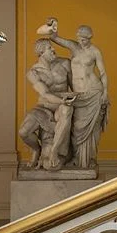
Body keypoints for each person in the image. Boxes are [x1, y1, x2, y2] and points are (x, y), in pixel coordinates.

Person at [38, 18, 109, 168]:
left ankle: (86, 160)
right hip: (79, 94)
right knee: (76, 128)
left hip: (93, 91)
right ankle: (76, 158)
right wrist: (53, 25)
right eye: (80, 39)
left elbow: (102, 73)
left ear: (90, 38)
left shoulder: (95, 51)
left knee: (91, 129)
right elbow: (54, 37)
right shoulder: (73, 47)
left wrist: (105, 92)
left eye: (85, 39)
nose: (82, 42)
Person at [18, 39, 77, 169]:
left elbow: (74, 87)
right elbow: (44, 94)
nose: (53, 50)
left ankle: (54, 151)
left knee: (66, 110)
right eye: (50, 48)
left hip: (61, 106)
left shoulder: (65, 64)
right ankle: (36, 149)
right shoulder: (33, 73)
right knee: (23, 132)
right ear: (41, 52)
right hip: (44, 106)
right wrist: (62, 100)